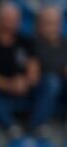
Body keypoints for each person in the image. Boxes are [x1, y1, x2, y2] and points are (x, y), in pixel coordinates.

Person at [0, 2, 39, 134]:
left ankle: (36, 125)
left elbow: (34, 69)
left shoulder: (26, 41)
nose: (11, 22)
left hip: (23, 87)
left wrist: (25, 82)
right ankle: (10, 125)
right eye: (7, 19)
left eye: (14, 19)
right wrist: (9, 85)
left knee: (50, 81)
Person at [28, 5, 66, 133]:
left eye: (54, 23)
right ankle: (37, 125)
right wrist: (62, 68)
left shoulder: (65, 44)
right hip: (42, 86)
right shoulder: (33, 43)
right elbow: (33, 72)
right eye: (47, 23)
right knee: (52, 81)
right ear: (39, 24)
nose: (51, 27)